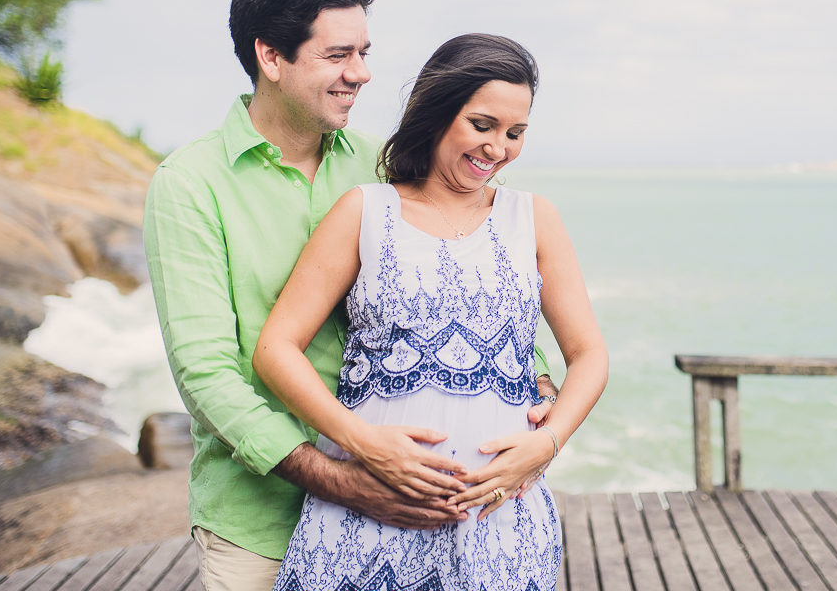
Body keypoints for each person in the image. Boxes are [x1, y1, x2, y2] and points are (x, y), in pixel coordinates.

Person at [143, 0, 557, 591]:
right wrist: (348, 477)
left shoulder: (385, 165)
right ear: (271, 57)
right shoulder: (189, 184)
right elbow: (207, 374)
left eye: (365, 51)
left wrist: (538, 402)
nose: (361, 74)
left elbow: (471, 284)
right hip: (261, 524)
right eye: (339, 55)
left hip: (409, 525)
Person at [253, 34, 609, 591]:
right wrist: (363, 443)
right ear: (439, 112)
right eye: (483, 124)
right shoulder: (365, 210)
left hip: (498, 526)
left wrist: (546, 442)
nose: (499, 148)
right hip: (366, 520)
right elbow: (275, 348)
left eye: (516, 133)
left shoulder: (534, 218)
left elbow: (588, 355)